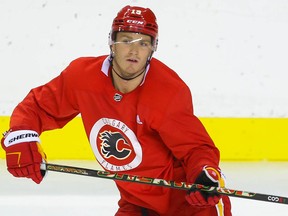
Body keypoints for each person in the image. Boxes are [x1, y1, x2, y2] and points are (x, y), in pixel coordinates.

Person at [1, 5, 232, 216]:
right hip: (136, 203)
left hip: (189, 204)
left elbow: (195, 148)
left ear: (153, 47)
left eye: (143, 42)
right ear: (112, 42)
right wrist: (21, 135)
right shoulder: (82, 77)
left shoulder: (168, 91)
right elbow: (39, 106)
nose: (134, 50)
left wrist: (205, 175)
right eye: (126, 40)